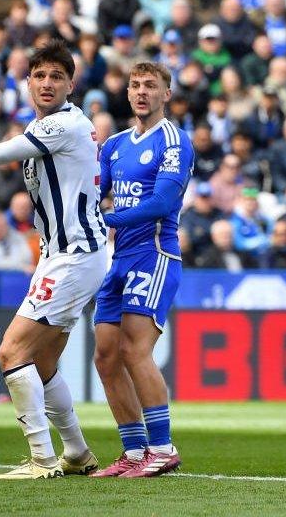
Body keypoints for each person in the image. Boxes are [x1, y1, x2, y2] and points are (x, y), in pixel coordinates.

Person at [0, 41, 107, 480]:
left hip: (73, 255)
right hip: (67, 255)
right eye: (39, 76)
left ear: (71, 84)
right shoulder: (49, 125)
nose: (47, 83)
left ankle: (41, 459)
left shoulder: (64, 124)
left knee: (11, 350)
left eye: (56, 76)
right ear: (28, 82)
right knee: (44, 364)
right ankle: (77, 453)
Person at [92, 61, 194, 478]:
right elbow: (92, 194)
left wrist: (107, 220)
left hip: (154, 256)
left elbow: (164, 203)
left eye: (150, 86)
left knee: (136, 350)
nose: (141, 92)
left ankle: (163, 447)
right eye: (135, 85)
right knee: (105, 356)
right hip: (117, 261)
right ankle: (134, 452)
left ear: (166, 94)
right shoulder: (113, 144)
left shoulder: (174, 140)